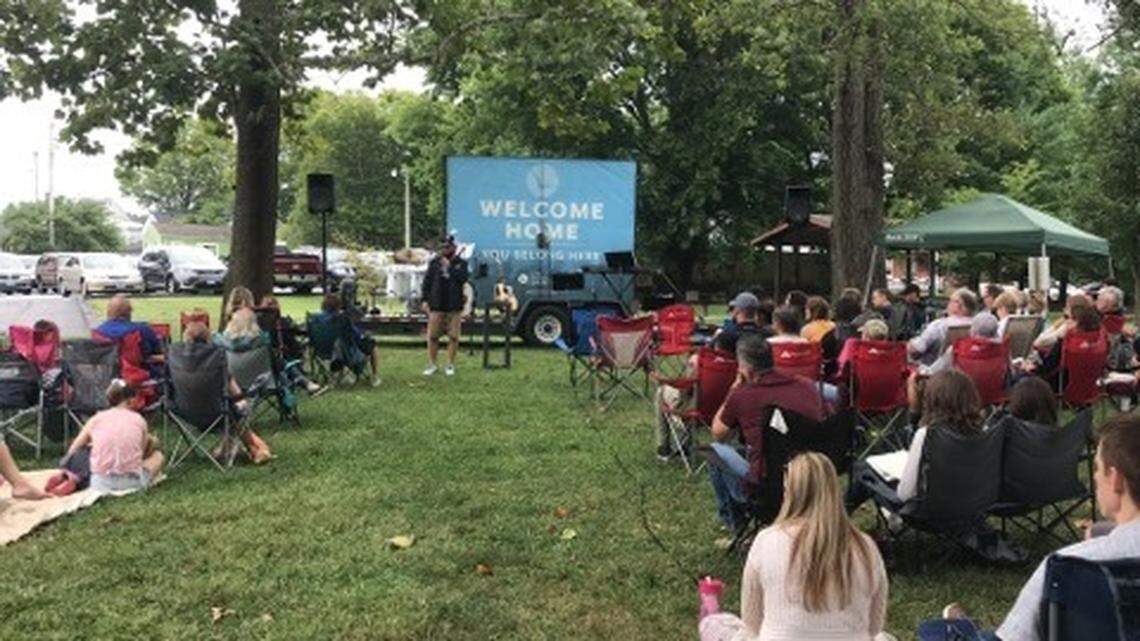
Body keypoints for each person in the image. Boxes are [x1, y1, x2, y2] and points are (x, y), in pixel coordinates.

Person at [920, 413, 1140, 641]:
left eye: (1096, 467)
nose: (1094, 477)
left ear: (1116, 479)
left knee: (937, 633)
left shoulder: (1071, 567)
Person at [700, 452, 889, 641]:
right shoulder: (866, 547)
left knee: (717, 626)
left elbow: (752, 624)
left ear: (789, 492)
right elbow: (874, 627)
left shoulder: (766, 541)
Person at [707, 335, 826, 532]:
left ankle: (735, 524)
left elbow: (718, 433)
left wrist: (733, 389)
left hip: (767, 488)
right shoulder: (807, 386)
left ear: (745, 369)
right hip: (810, 480)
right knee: (748, 448)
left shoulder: (743, 395)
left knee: (715, 451)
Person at [846, 369, 983, 512]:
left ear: (932, 400)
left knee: (864, 469)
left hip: (928, 512)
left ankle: (839, 518)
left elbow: (905, 494)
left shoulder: (927, 435)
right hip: (971, 506)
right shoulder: (984, 433)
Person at [64, 380, 164, 493]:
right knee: (158, 456)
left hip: (99, 482)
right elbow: (140, 452)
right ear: (131, 401)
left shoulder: (96, 419)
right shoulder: (139, 420)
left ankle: (76, 477)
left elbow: (74, 448)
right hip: (132, 481)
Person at [211, 308, 275, 464]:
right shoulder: (264, 340)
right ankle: (257, 448)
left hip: (229, 389)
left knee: (233, 412)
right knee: (236, 415)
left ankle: (227, 446)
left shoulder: (220, 343)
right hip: (255, 387)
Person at [257, 295, 327, 397]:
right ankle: (306, 382)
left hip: (261, 363)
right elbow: (293, 340)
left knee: (282, 359)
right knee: (284, 359)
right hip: (274, 360)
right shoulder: (281, 323)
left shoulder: (256, 325)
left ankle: (306, 382)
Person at [421, 236, 469, 376]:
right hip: (437, 304)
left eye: (447, 247)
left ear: (453, 248)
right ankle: (432, 364)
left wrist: (450, 267)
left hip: (454, 305)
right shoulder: (434, 263)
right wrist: (424, 300)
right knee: (433, 336)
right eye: (442, 248)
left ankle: (450, 365)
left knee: (454, 337)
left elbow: (463, 278)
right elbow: (427, 282)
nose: (444, 250)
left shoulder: (461, 263)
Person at [313, 294, 381, 386]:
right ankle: (375, 376)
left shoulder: (315, 319)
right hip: (343, 353)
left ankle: (335, 375)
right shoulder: (342, 319)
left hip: (321, 351)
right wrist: (365, 334)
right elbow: (355, 335)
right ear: (338, 306)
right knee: (372, 344)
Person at [908, 288, 978, 365]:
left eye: (951, 301)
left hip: (936, 373)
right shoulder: (978, 326)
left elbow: (915, 350)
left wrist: (910, 344)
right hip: (967, 372)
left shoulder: (939, 325)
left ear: (958, 304)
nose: (948, 304)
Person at [95, 294, 163, 374]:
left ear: (108, 312)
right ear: (129, 312)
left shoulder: (98, 333)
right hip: (140, 377)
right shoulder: (142, 330)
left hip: (107, 378)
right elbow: (157, 352)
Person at [920, 312, 1000, 376]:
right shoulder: (1002, 349)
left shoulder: (957, 349)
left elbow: (932, 372)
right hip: (995, 395)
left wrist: (921, 369)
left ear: (972, 331)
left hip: (963, 395)